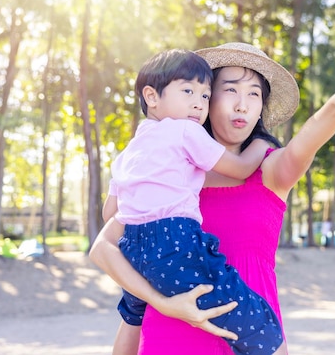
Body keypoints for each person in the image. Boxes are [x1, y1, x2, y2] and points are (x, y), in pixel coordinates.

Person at [89, 42, 335, 355]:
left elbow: (303, 147)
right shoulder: (167, 177)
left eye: (254, 94)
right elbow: (105, 249)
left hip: (248, 340)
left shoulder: (270, 169)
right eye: (230, 90)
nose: (242, 105)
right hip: (167, 338)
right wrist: (162, 304)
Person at [102, 48, 287, 355]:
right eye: (189, 91)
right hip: (175, 241)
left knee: (134, 312)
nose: (197, 103)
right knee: (261, 327)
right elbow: (241, 169)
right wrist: (262, 144)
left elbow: (111, 212)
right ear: (152, 96)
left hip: (135, 246)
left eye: (203, 96)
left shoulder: (131, 151)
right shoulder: (185, 131)